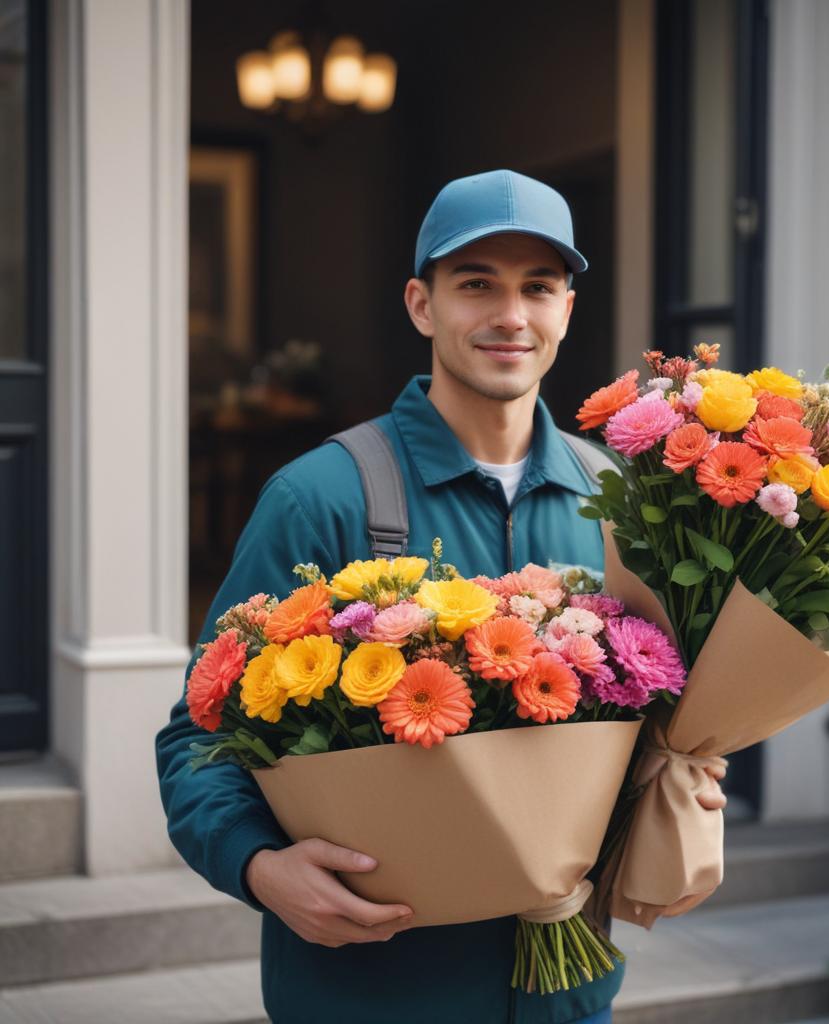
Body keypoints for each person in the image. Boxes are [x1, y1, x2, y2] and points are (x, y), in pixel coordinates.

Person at [156, 168, 727, 1024]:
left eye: (539, 287)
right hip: (372, 991)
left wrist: (686, 781)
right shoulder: (320, 497)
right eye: (477, 285)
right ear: (422, 305)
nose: (511, 315)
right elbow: (198, 737)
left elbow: (662, 720)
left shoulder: (623, 506)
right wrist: (258, 866)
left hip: (567, 994)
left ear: (568, 309)